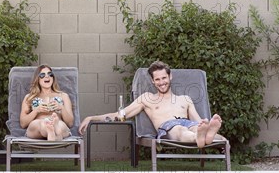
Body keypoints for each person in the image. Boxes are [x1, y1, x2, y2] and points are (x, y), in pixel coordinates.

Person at [79, 61, 223, 147]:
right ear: (153, 81)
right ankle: (199, 137)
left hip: (189, 124)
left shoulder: (185, 99)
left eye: (164, 78)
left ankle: (205, 135)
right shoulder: (146, 98)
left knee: (207, 133)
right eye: (158, 79)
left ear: (170, 77)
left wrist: (203, 126)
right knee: (180, 130)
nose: (162, 82)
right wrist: (92, 118)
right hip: (168, 128)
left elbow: (198, 122)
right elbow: (120, 115)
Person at [20, 65, 74, 141]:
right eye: (42, 75)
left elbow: (70, 123)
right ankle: (53, 131)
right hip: (37, 128)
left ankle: (53, 132)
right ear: (37, 79)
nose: (47, 77)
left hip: (59, 123)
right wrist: (36, 111)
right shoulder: (30, 97)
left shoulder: (63, 96)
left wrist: (61, 107)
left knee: (60, 124)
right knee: (42, 123)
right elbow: (23, 123)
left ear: (53, 78)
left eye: (50, 74)